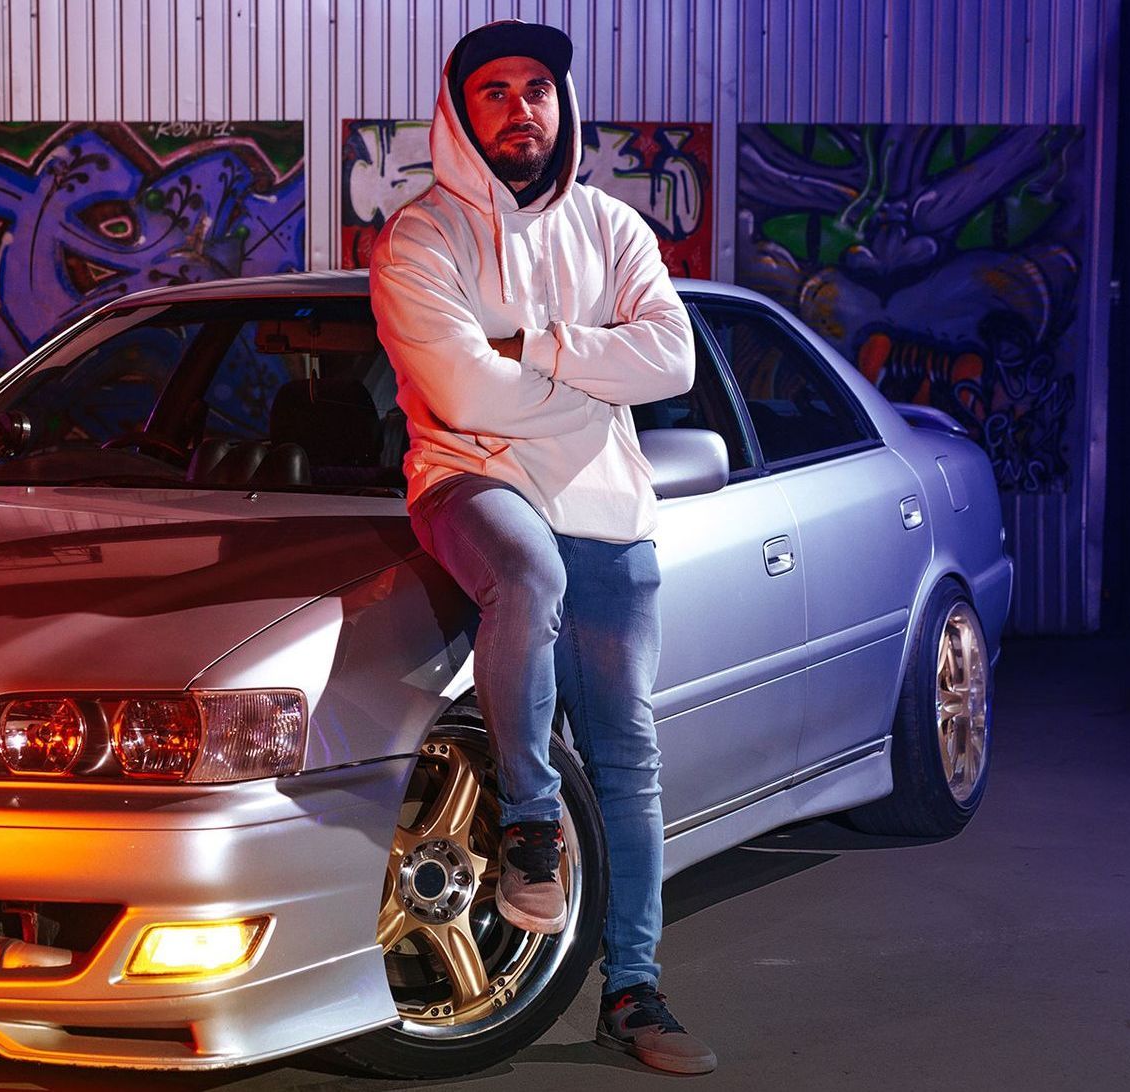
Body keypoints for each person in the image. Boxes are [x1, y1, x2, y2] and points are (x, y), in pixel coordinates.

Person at [369, 19, 717, 1076]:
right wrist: (590, 380)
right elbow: (464, 393)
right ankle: (530, 822)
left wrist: (535, 347)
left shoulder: (613, 227)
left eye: (537, 89)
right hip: (468, 480)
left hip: (606, 504)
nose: (520, 108)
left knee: (628, 756)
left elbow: (674, 360)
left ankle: (635, 992)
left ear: (562, 107)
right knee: (527, 572)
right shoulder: (420, 239)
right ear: (458, 112)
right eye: (495, 91)